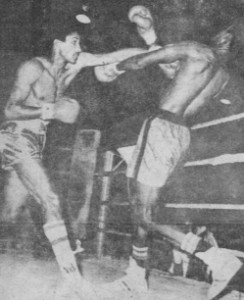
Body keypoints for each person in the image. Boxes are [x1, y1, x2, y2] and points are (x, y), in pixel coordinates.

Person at [97, 5, 243, 300]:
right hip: (182, 137)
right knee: (144, 209)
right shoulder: (221, 75)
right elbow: (175, 74)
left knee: (143, 212)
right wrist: (150, 36)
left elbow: (141, 62)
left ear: (218, 33)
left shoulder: (195, 49)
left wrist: (112, 69)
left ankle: (216, 258)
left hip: (161, 128)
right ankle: (135, 278)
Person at [0, 16, 147, 299]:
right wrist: (49, 111)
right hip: (15, 137)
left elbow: (110, 57)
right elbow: (10, 109)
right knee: (50, 199)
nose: (80, 47)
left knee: (9, 212)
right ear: (58, 43)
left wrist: (152, 49)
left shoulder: (73, 66)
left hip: (35, 143)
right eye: (75, 41)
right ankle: (72, 281)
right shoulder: (33, 67)